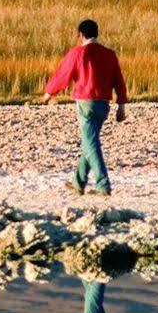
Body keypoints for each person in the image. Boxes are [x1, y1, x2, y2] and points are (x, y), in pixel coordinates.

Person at [41, 18, 129, 197]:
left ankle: (103, 184)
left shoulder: (78, 53)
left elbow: (63, 75)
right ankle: (78, 182)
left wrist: (49, 92)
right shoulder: (109, 54)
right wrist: (121, 105)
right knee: (90, 142)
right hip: (103, 104)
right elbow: (118, 81)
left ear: (80, 35)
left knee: (90, 143)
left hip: (85, 102)